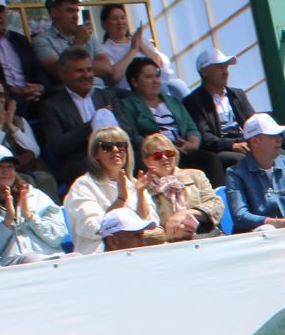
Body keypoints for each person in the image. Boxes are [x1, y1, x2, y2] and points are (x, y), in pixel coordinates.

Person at [114, 58, 217, 182]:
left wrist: (193, 144)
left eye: (157, 76)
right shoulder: (127, 105)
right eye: (148, 77)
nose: (155, 81)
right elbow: (132, 136)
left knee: (210, 159)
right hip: (156, 155)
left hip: (182, 151)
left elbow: (191, 128)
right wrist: (163, 148)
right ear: (135, 82)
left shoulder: (173, 101)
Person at [63, 125, 162, 253]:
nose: (115, 150)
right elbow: (93, 229)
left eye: (121, 146)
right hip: (99, 253)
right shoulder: (83, 186)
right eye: (107, 147)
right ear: (96, 154)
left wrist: (140, 194)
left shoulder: (136, 184)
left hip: (138, 250)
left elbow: (151, 224)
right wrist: (121, 199)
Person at [0, 142, 69, 263]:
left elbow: (59, 236)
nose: (6, 171)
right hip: (11, 268)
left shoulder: (35, 196)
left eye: (10, 167)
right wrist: (7, 223)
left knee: (77, 258)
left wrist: (30, 217)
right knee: (31, 259)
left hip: (51, 258)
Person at [36, 47, 117, 186]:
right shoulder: (51, 106)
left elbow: (128, 128)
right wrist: (93, 123)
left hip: (115, 154)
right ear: (63, 74)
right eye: (79, 71)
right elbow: (57, 145)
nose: (86, 75)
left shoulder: (106, 96)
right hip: (80, 163)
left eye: (89, 70)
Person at [224, 113, 285, 229]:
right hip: (258, 241)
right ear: (255, 141)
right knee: (267, 229)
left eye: (280, 134)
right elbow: (240, 216)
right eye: (273, 135)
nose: (280, 139)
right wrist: (270, 222)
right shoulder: (235, 174)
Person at [138, 131, 223, 240]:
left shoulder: (196, 175)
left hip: (205, 237)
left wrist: (186, 213)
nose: (164, 158)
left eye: (169, 153)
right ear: (146, 161)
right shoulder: (144, 188)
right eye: (157, 156)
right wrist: (168, 235)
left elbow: (217, 205)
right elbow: (145, 231)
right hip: (168, 247)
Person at [186, 47, 253, 185]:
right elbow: (205, 137)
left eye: (226, 67)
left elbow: (253, 122)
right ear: (204, 71)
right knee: (240, 160)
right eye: (219, 67)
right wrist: (232, 145)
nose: (225, 72)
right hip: (223, 150)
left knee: (279, 150)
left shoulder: (237, 95)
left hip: (247, 143)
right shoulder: (192, 102)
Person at [94, 3, 174, 91]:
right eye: (114, 19)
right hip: (132, 91)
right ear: (104, 24)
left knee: (178, 85)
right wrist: (133, 50)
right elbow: (114, 76)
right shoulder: (104, 49)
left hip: (160, 82)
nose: (120, 22)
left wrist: (141, 45)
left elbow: (159, 63)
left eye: (123, 18)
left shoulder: (140, 40)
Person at [31, 0, 94, 84]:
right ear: (53, 13)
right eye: (70, 11)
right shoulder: (42, 40)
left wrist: (79, 70)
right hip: (70, 93)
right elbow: (59, 72)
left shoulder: (84, 34)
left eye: (77, 11)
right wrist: (79, 42)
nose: (76, 16)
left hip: (100, 89)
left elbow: (106, 68)